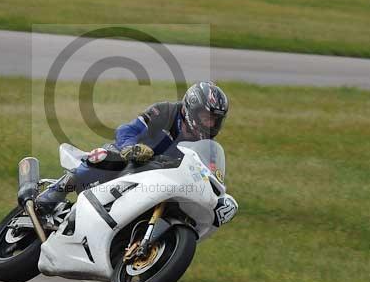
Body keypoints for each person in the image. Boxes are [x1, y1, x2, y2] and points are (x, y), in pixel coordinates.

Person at [35, 81, 229, 213]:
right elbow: (127, 130)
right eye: (207, 118)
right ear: (191, 110)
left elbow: (210, 177)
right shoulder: (165, 111)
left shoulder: (208, 147)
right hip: (133, 161)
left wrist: (218, 199)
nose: (211, 124)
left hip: (164, 179)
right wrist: (130, 148)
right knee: (107, 156)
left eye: (216, 120)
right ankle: (56, 190)